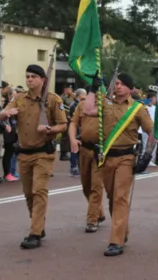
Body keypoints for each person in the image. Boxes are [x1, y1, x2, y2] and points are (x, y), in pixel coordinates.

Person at [0, 64, 67, 249]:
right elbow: (1, 114)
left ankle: (35, 232)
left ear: (42, 79)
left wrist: (49, 129)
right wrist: (6, 113)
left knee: (39, 191)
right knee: (29, 193)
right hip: (23, 153)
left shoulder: (53, 100)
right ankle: (39, 225)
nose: (29, 79)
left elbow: (63, 124)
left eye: (33, 77)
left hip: (43, 153)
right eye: (27, 76)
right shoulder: (19, 98)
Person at [94, 73, 155, 257]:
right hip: (106, 158)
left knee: (120, 197)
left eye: (121, 84)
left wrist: (147, 154)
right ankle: (123, 231)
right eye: (116, 84)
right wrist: (92, 89)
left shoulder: (137, 108)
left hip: (126, 157)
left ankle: (115, 241)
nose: (117, 87)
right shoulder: (105, 103)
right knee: (112, 197)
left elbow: (151, 130)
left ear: (129, 87)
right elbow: (89, 110)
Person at [68, 88, 105, 233]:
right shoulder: (82, 105)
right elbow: (73, 123)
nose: (95, 94)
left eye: (98, 90)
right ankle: (99, 212)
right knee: (86, 186)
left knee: (96, 186)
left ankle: (92, 220)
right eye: (92, 91)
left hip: (100, 151)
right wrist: (72, 139)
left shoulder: (107, 106)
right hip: (84, 149)